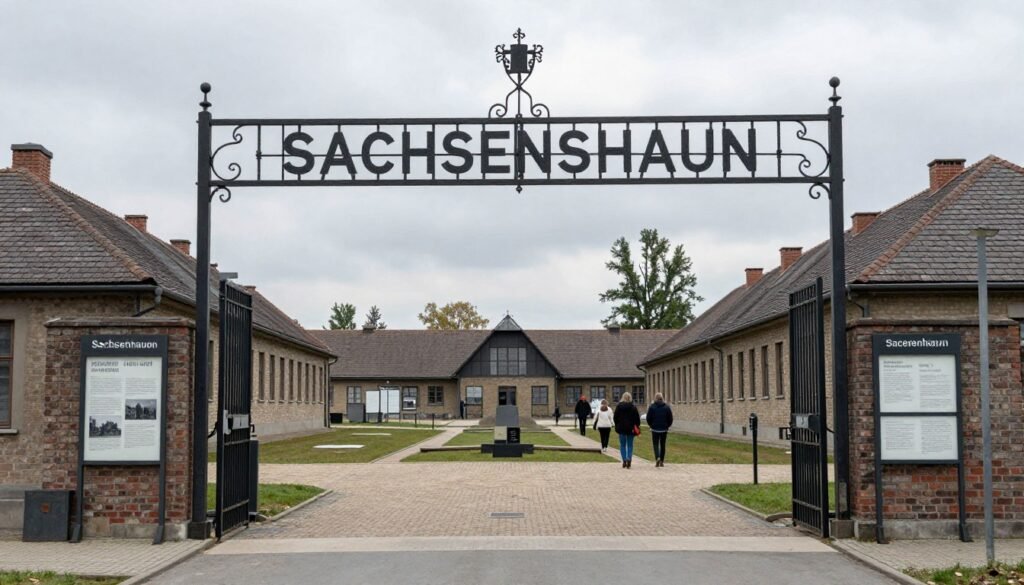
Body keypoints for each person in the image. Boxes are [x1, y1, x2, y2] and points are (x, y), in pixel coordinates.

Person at [613, 392, 641, 468]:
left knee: (622, 445)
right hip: (631, 429)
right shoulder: (633, 407)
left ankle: (624, 460)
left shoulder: (619, 407)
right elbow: (637, 419)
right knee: (630, 445)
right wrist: (636, 426)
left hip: (621, 428)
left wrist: (617, 425)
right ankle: (629, 458)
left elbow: (615, 417)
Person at [646, 392, 674, 467]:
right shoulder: (666, 407)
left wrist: (651, 425)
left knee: (655, 444)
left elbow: (648, 418)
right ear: (662, 398)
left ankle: (657, 457)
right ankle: (661, 460)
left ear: (655, 398)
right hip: (664, 429)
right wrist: (667, 426)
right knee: (662, 445)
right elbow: (670, 418)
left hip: (654, 429)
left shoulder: (652, 407)